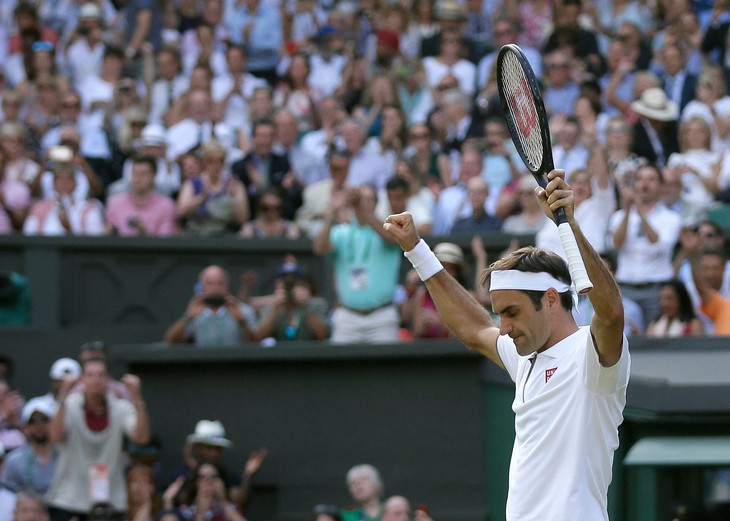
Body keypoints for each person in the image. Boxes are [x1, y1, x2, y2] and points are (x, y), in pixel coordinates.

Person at [383, 167, 630, 520]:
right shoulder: (524, 356)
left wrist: (571, 228)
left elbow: (610, 315)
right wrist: (417, 250)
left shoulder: (592, 356)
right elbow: (473, 328)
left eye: (511, 312)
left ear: (548, 299)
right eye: (500, 314)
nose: (504, 328)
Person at [46, 357, 151, 520]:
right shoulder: (70, 405)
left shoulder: (121, 408)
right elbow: (55, 436)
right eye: (90, 375)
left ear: (108, 379)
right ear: (82, 379)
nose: (96, 380)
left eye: (101, 375)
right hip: (69, 499)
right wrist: (63, 395)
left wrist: (137, 397)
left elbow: (141, 438)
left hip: (110, 501)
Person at [313, 185, 401, 344]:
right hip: (348, 317)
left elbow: (392, 239)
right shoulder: (342, 231)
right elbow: (319, 248)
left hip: (381, 317)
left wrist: (360, 208)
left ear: (376, 203)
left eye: (368, 199)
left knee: (386, 369)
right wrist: (332, 212)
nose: (363, 203)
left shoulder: (387, 228)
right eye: (361, 199)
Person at [609, 163, 682, 325]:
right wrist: (628, 211)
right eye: (640, 179)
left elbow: (659, 246)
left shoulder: (671, 218)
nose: (645, 184)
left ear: (661, 186)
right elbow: (616, 245)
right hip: (626, 288)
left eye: (651, 179)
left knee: (656, 343)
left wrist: (640, 211)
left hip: (658, 290)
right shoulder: (619, 217)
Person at [164, 265, 258, 346]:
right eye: (209, 283)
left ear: (227, 286)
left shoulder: (243, 310)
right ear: (201, 286)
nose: (215, 288)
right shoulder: (196, 312)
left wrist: (241, 321)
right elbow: (171, 341)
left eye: (220, 283)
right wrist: (188, 317)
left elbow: (256, 344)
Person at [105, 155, 179, 237]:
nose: (137, 178)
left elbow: (167, 243)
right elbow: (108, 235)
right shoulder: (115, 203)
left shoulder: (166, 206)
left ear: (153, 176)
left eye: (143, 174)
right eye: (134, 173)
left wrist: (145, 233)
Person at [0, 397, 57, 496]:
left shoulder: (68, 457)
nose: (39, 425)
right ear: (26, 426)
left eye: (44, 419)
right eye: (32, 421)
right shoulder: (14, 460)